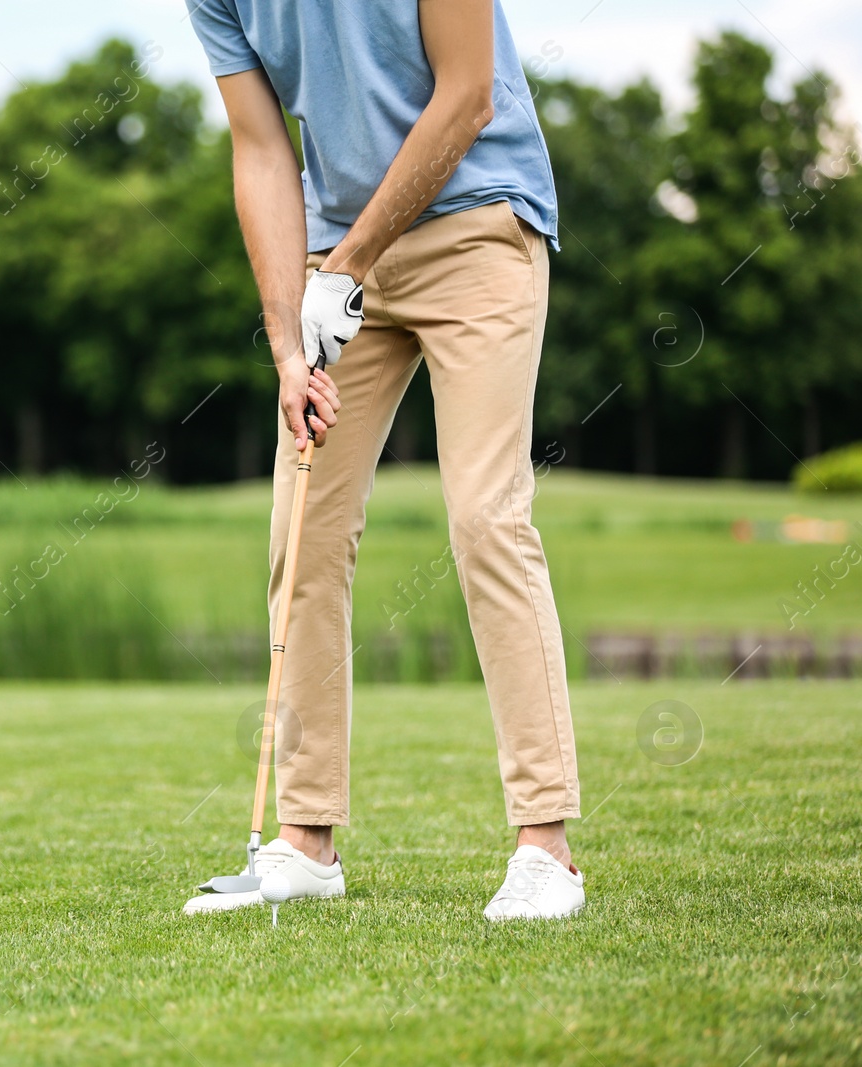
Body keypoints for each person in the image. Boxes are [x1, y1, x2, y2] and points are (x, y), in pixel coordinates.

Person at [182, 0, 585, 920]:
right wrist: (289, 343)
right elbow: (260, 150)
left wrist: (349, 264)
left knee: (486, 514)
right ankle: (305, 839)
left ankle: (545, 847)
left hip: (478, 222)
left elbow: (468, 96)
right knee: (303, 533)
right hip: (335, 260)